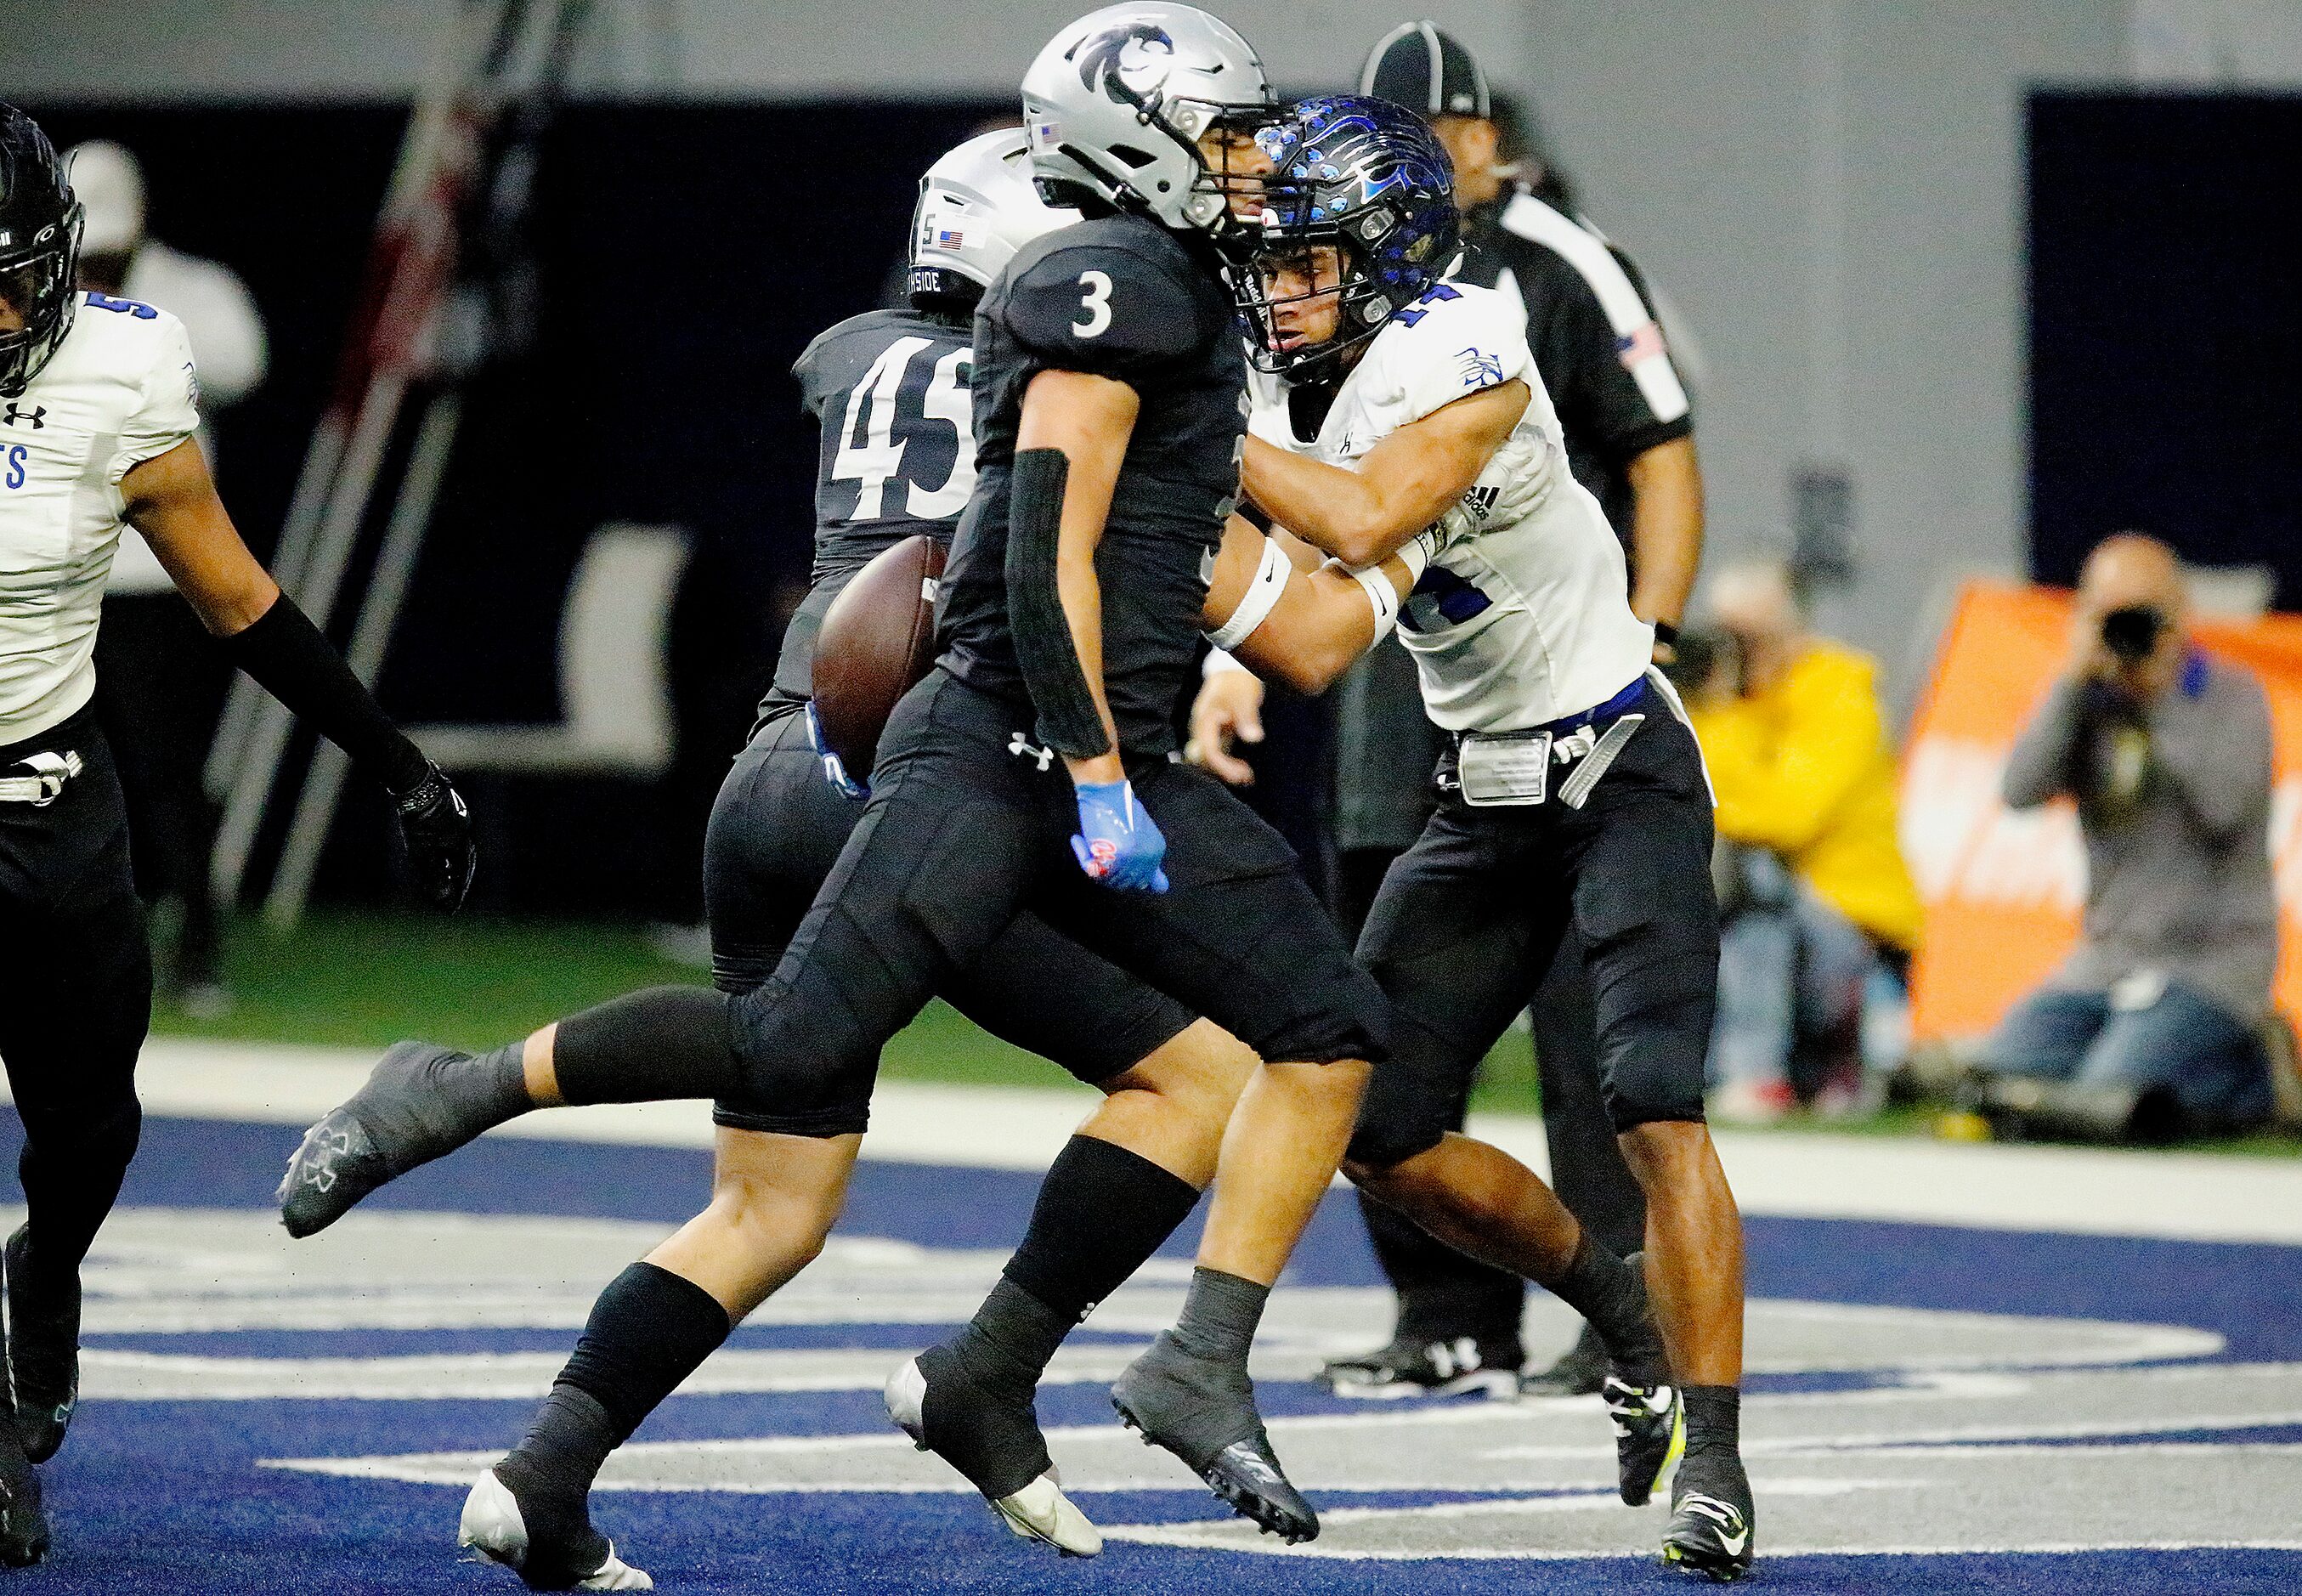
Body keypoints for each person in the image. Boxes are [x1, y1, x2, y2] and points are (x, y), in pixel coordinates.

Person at [271, 10, 1436, 1579]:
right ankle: (994, 1365)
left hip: (786, 756)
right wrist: (1378, 547)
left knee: (773, 1188)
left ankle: (546, 1468)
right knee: (1187, 1072)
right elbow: (1138, 574)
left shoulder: (860, 359)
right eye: (1218, 142)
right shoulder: (1110, 332)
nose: (1242, 181)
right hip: (954, 746)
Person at [1221, 95, 1752, 1578]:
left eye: (1305, 256)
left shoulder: (1463, 343)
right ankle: (1622, 1313)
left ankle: (1710, 1456)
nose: (1279, 286)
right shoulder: (1291, 387)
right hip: (1481, 786)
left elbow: (1363, 503)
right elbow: (1312, 622)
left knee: (1649, 1103)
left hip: (1616, 761)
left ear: (1384, 247)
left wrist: (1191, 437)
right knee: (1375, 1125)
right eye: (1270, 260)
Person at [0, 104, 473, 1566]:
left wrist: (393, 760)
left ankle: (51, 1264)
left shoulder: (121, 365)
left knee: (91, 1128)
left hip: (56, 792)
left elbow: (238, 599)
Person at [1975, 533, 2277, 1139]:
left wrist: (2159, 700)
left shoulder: (2231, 696)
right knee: (2000, 1080)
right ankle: (2203, 1070)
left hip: (2211, 967)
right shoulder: (2087, 701)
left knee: (2106, 1097)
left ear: (2180, 615)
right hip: (2104, 963)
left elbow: (2222, 808)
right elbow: (2017, 791)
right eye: (2108, 613)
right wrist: (2069, 683)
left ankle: (2253, 1073)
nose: (2126, 630)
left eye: (2142, 612)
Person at [70, 139, 273, 1013]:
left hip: (163, 578)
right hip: (61, 575)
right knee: (59, 770)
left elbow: (239, 363)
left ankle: (197, 945)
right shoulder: (29, 292)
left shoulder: (193, 293)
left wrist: (117, 332)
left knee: (167, 770)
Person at [1688, 558, 1923, 1123]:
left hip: (1851, 926)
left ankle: (1757, 1075)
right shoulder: (1721, 700)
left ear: (1792, 632)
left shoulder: (1841, 696)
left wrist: (1720, 715)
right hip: (1762, 921)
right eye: (1727, 636)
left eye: (1750, 637)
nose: (1738, 652)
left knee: (1757, 884)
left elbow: (1786, 819)